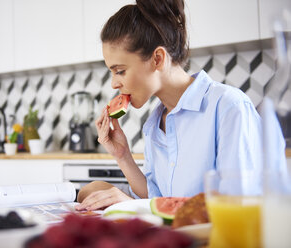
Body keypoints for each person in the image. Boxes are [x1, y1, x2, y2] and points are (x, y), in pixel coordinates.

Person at [76, 0, 285, 211]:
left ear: (157, 59)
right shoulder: (154, 125)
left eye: (120, 71)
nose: (114, 83)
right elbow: (158, 198)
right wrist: (122, 156)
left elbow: (238, 207)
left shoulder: (229, 107)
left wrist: (135, 207)